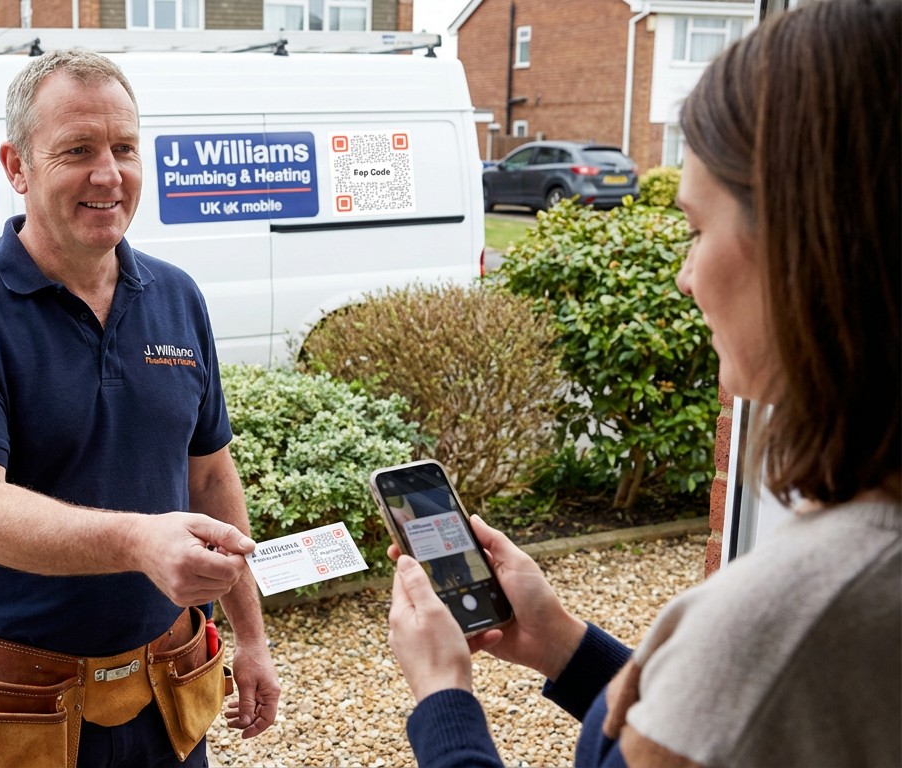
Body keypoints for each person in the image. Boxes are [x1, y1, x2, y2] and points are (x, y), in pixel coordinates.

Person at [386, 1, 901, 766]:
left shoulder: (794, 618)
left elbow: (728, 702)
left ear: (809, 245)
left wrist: (443, 702)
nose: (687, 278)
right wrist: (563, 646)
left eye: (696, 230)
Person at [0, 50, 279, 768]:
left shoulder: (176, 296)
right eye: (77, 150)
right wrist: (139, 543)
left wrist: (252, 638)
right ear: (16, 166)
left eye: (125, 148)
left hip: (169, 684)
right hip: (20, 706)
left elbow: (210, 480)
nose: (109, 174)